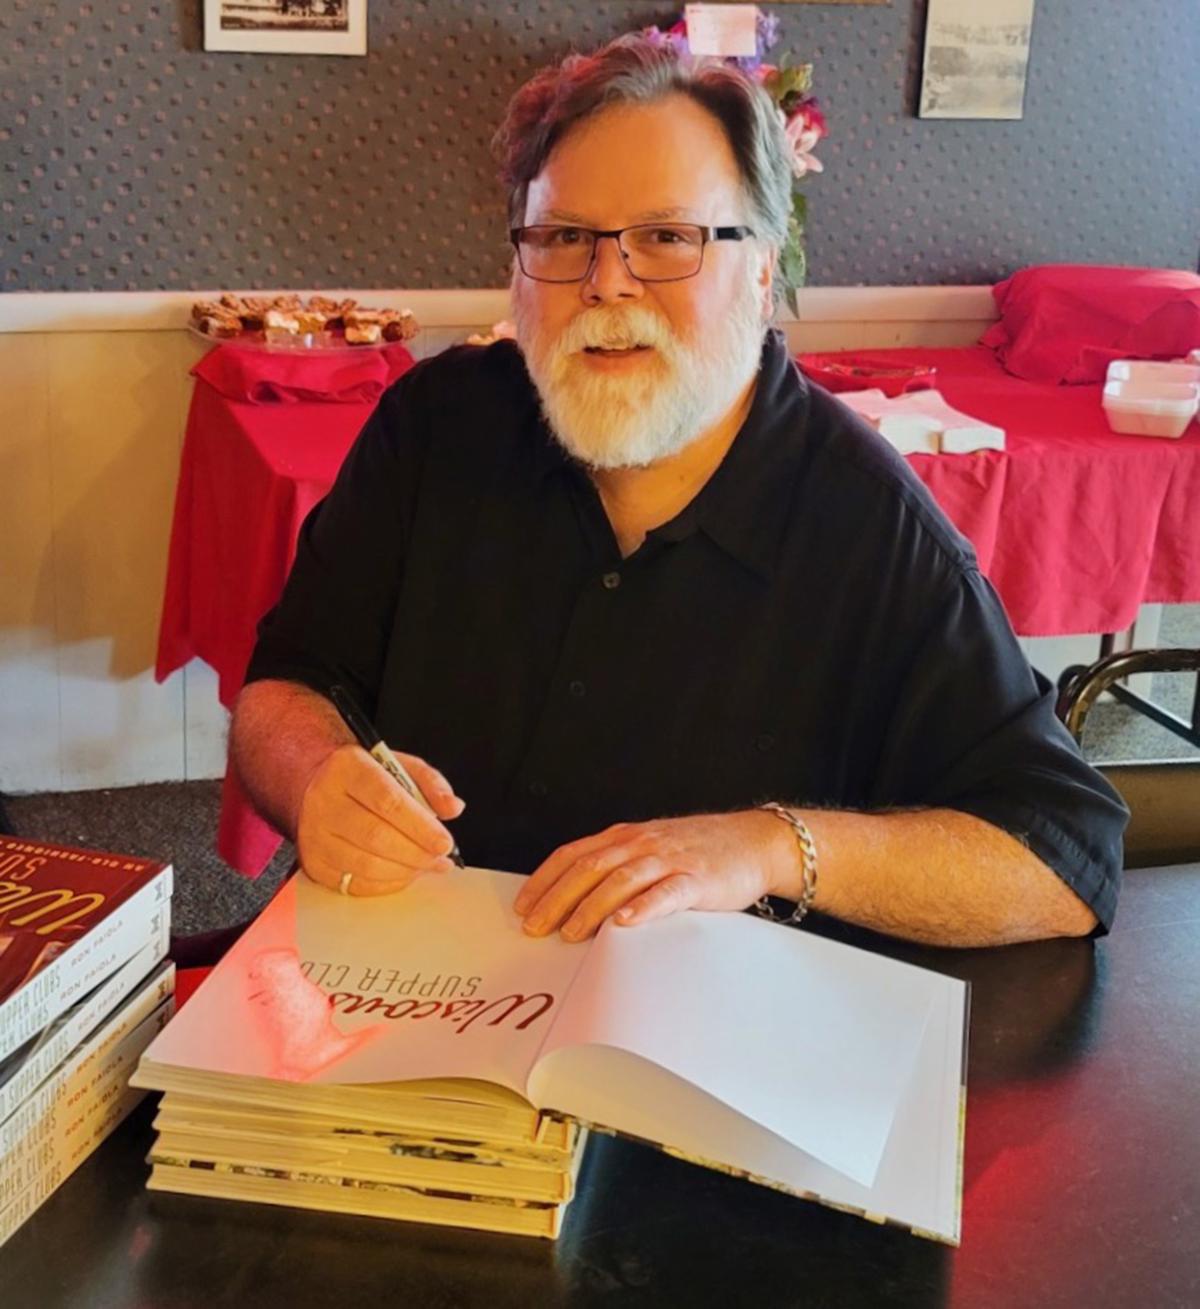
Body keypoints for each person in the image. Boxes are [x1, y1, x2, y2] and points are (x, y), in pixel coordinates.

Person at [230, 36, 1127, 948]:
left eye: (667, 238)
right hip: (418, 1004)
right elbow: (285, 686)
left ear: (765, 269)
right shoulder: (435, 427)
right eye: (565, 237)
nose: (606, 282)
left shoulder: (870, 527)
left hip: (706, 1058)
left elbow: (1058, 858)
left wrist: (769, 848)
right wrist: (317, 778)